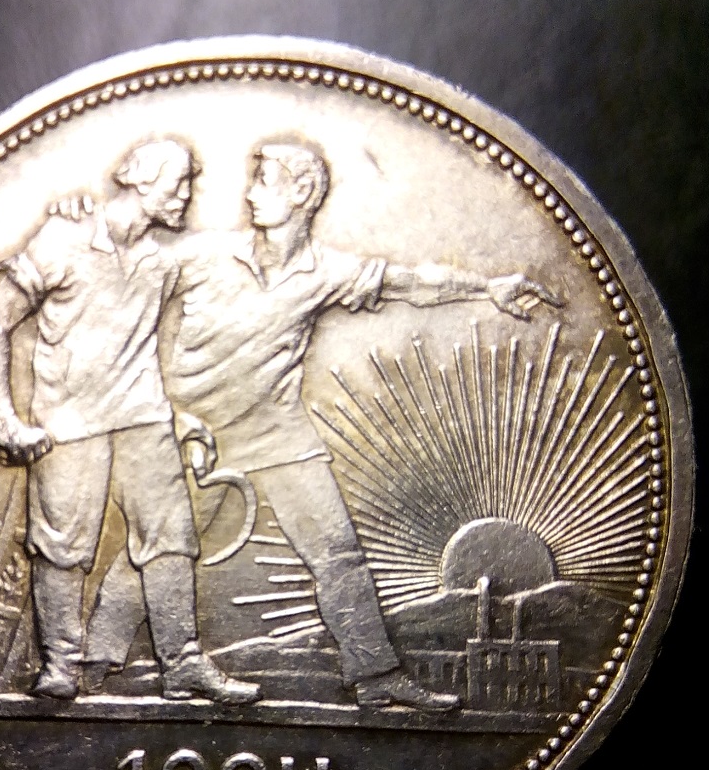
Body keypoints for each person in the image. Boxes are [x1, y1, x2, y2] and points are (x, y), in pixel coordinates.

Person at [84, 140, 559, 712]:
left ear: (302, 193)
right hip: (193, 435)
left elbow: (413, 283)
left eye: (264, 181)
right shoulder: (202, 255)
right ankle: (94, 661)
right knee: (157, 549)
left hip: (278, 435)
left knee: (338, 553)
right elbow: (119, 282)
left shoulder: (327, 271)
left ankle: (375, 675)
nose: (250, 194)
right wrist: (80, 219)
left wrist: (487, 288)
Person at [0, 139, 260, 704]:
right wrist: (3, 423)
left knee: (172, 539)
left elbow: (140, 344)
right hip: (69, 425)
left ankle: (183, 663)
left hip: (144, 419)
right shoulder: (63, 236)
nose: (187, 194)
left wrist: (177, 415)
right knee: (62, 547)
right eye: (179, 181)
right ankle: (61, 666)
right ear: (142, 180)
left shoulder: (162, 260)